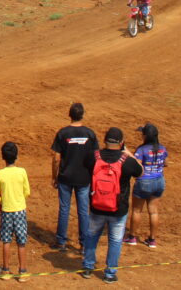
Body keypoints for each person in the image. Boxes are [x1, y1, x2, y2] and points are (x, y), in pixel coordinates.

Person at [79, 128, 143, 284]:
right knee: (115, 240)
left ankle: (88, 267)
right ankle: (110, 273)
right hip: (118, 208)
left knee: (92, 235)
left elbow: (86, 165)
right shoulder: (126, 161)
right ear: (121, 142)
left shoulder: (93, 157)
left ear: (105, 140)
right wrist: (127, 152)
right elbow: (140, 171)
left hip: (97, 204)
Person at [50, 102, 99, 252]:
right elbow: (96, 157)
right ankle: (83, 243)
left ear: (70, 115)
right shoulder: (90, 134)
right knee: (83, 211)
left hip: (65, 177)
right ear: (82, 115)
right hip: (84, 178)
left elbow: (56, 158)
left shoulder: (63, 133)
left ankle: (61, 242)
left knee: (64, 209)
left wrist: (54, 176)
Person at [125, 123, 169, 249]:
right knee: (153, 211)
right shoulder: (162, 148)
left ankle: (132, 237)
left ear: (145, 136)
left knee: (137, 210)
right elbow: (166, 163)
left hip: (144, 182)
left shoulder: (141, 150)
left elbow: (137, 166)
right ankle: (152, 240)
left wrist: (129, 155)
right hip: (159, 181)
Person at [0, 141, 30, 281]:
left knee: (6, 241)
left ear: (3, 157)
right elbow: (27, 191)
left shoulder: (0, 174)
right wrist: (19, 199)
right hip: (19, 210)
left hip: (6, 211)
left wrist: (4, 202)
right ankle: (22, 271)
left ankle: (6, 270)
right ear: (16, 156)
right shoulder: (22, 172)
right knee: (21, 242)